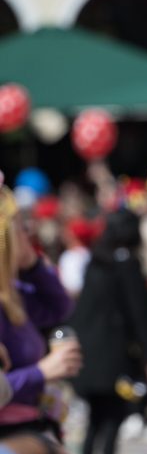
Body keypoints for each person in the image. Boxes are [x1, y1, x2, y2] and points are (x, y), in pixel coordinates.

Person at [69, 208, 147, 454]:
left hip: (88, 355)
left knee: (94, 423)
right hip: (113, 357)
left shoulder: (96, 262)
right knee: (111, 421)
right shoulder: (126, 264)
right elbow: (140, 314)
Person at [0, 182, 81, 438]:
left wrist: (33, 263)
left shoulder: (12, 292)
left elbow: (59, 306)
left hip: (29, 430)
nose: (29, 233)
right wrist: (42, 371)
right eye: (20, 227)